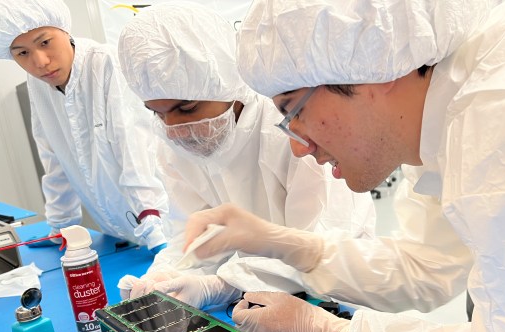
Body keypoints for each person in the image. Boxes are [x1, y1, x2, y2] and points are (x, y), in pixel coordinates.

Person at [183, 0, 505, 332]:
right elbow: (427, 264)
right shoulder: (446, 108)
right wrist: (283, 244)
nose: (300, 146)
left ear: (367, 65)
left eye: (294, 110)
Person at [115, 1, 376, 309]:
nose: (175, 128)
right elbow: (192, 233)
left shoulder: (292, 129)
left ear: (224, 82)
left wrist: (222, 285)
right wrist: (167, 273)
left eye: (186, 108)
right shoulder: (176, 143)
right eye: (157, 113)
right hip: (248, 304)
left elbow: (322, 244)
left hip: (334, 301)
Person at [0, 0, 169, 252]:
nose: (40, 62)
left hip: (162, 222)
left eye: (44, 42)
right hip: (117, 232)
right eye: (22, 53)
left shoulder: (106, 63)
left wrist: (153, 224)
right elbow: (53, 155)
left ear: (64, 29)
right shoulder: (38, 85)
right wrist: (62, 224)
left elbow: (134, 147)